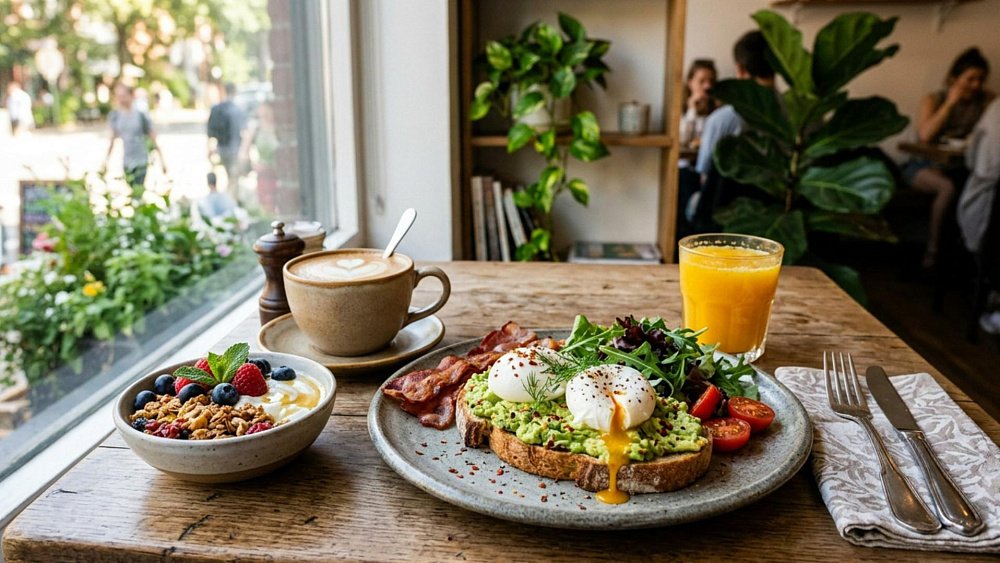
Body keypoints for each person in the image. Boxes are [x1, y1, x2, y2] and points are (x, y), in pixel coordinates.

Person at [903, 47, 995, 268]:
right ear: (954, 78)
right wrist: (950, 103)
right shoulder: (935, 99)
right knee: (947, 188)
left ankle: (971, 255)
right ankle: (934, 252)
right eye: (970, 78)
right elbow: (925, 136)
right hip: (922, 165)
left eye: (980, 79)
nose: (975, 85)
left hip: (960, 166)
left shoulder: (986, 102)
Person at [694, 31, 777, 180]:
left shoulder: (721, 120)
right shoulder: (805, 117)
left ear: (740, 69)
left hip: (731, 201)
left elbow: (705, 174)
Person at [103, 84, 167, 193]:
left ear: (131, 95)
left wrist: (163, 161)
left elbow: (152, 136)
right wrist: (105, 161)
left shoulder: (141, 115)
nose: (121, 99)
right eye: (119, 96)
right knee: (131, 190)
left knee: (138, 190)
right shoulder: (116, 116)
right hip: (127, 161)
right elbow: (112, 140)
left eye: (123, 95)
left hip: (141, 159)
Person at [207, 82, 247, 202]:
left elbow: (210, 131)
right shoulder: (238, 109)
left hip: (221, 148)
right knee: (233, 177)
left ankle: (229, 199)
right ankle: (230, 200)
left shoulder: (217, 108)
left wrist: (209, 149)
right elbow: (243, 131)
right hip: (234, 148)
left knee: (229, 175)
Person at [680, 59, 719, 149]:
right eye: (701, 81)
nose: (707, 86)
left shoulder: (718, 110)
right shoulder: (680, 108)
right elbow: (682, 140)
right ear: (690, 83)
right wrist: (692, 110)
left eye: (711, 81)